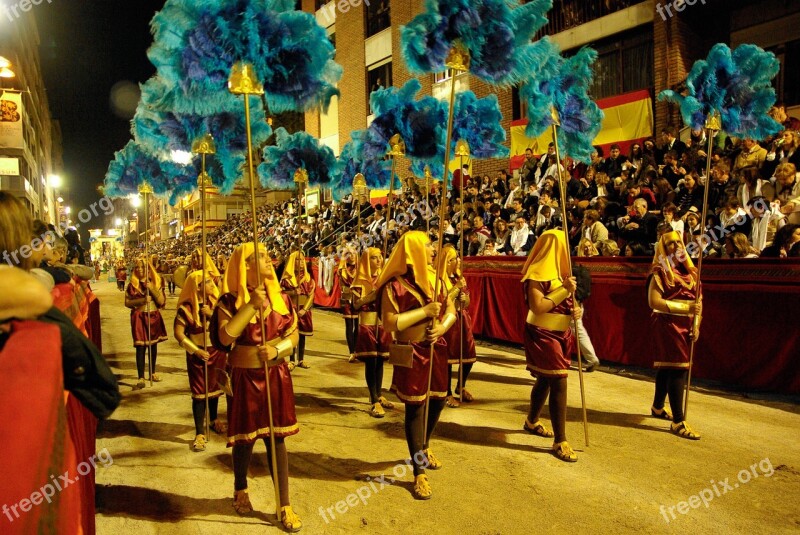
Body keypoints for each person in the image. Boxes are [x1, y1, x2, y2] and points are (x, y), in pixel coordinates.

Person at [212, 242, 301, 531]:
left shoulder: (280, 299)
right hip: (244, 377)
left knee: (277, 438)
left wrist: (278, 351)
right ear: (243, 266)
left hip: (276, 375)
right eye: (257, 257)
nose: (265, 260)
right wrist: (250, 305)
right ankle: (240, 488)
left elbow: (294, 335)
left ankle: (284, 503)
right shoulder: (228, 301)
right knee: (245, 437)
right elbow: (225, 339)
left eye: (266, 256)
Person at [377, 231, 456, 499]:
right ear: (412, 252)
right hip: (411, 351)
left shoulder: (437, 280)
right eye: (427, 245)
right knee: (415, 407)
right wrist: (424, 312)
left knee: (438, 400)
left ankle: (424, 444)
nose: (433, 249)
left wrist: (442, 327)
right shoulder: (394, 286)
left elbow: (451, 312)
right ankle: (418, 471)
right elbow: (389, 323)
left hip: (436, 348)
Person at [520, 230, 581, 462]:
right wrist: (564, 290)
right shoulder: (537, 273)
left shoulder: (564, 274)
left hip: (562, 333)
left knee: (546, 378)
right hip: (542, 333)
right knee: (558, 379)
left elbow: (571, 302)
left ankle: (531, 420)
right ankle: (561, 439)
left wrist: (577, 310)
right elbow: (538, 306)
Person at [647, 231, 702, 440]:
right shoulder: (660, 272)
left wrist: (696, 323)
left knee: (666, 367)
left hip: (687, 326)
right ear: (663, 249)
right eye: (670, 244)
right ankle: (678, 420)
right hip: (667, 324)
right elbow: (654, 302)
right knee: (677, 368)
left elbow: (699, 303)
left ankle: (658, 407)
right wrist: (685, 307)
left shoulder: (692, 272)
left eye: (679, 242)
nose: (676, 246)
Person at [173, 270, 227, 452]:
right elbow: (178, 333)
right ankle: (199, 432)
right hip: (198, 354)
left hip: (216, 351)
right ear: (198, 287)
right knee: (199, 393)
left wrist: (211, 314)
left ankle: (213, 420)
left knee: (214, 389)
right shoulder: (187, 308)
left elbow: (226, 325)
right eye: (209, 282)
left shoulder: (216, 304)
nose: (213, 284)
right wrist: (195, 350)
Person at [352, 247, 394, 418]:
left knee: (381, 360)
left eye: (380, 257)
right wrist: (372, 295)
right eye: (374, 258)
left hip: (381, 323)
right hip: (367, 323)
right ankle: (373, 399)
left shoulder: (385, 278)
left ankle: (378, 393)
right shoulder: (360, 281)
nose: (379, 261)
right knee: (371, 360)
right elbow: (355, 304)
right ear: (366, 261)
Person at [437, 245, 477, 408]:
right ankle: (446, 393)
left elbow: (467, 302)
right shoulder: (439, 279)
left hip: (462, 319)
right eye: (453, 259)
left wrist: (463, 296)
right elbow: (443, 300)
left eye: (457, 258)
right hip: (448, 320)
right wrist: (456, 290)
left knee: (469, 354)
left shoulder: (458, 277)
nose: (457, 261)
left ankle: (461, 385)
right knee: (448, 358)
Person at [125, 257, 168, 390]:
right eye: (137, 267)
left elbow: (161, 302)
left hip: (153, 315)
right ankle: (140, 377)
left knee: (153, 345)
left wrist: (152, 289)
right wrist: (142, 300)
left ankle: (152, 372)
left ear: (148, 269)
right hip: (139, 317)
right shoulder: (132, 284)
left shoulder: (156, 281)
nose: (139, 269)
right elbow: (127, 303)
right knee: (141, 347)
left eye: (142, 267)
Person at [281, 250, 315, 370]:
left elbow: (311, 295)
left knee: (302, 335)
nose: (300, 262)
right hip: (292, 309)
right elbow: (282, 294)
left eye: (301, 259)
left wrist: (305, 309)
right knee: (292, 334)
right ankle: (291, 360)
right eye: (297, 260)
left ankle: (301, 359)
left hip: (303, 309)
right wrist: (292, 292)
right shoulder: (287, 279)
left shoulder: (307, 278)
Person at [338, 247, 359, 362]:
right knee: (349, 325)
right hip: (346, 298)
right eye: (348, 254)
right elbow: (341, 285)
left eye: (353, 253)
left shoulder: (361, 268)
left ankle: (356, 350)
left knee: (358, 326)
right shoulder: (342, 269)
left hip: (358, 298)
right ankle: (351, 351)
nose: (351, 256)